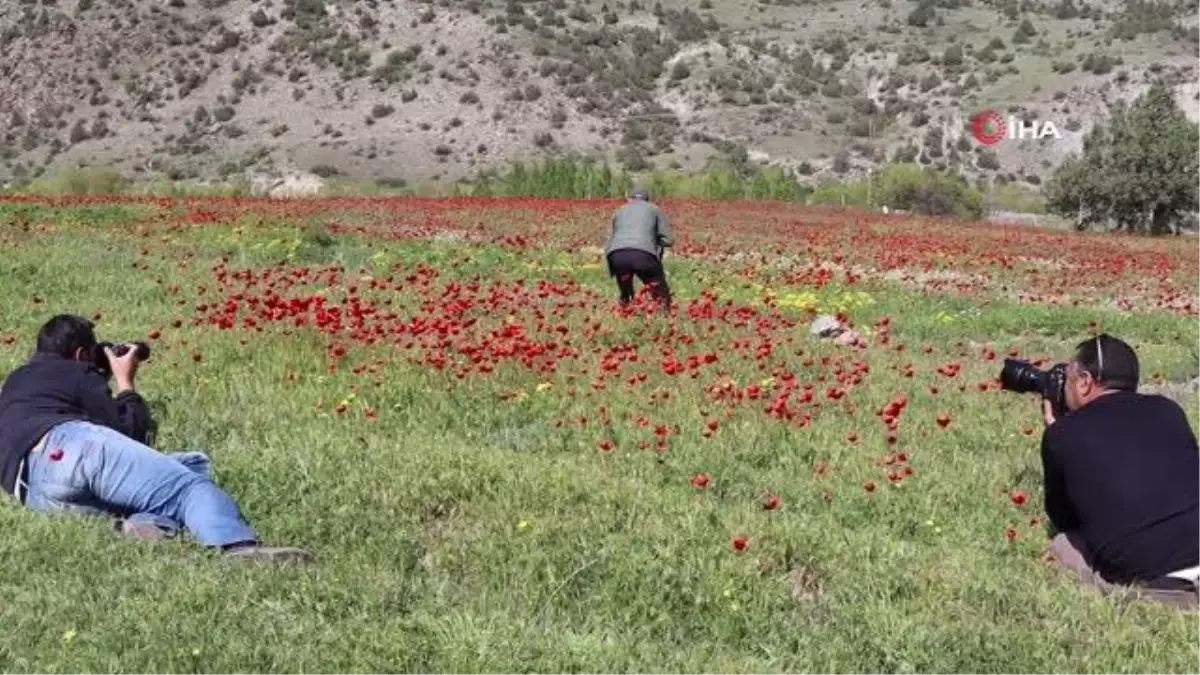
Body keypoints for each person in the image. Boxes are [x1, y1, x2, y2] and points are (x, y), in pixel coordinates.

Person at [0, 314, 311, 564]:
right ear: (81, 354)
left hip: (34, 490)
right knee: (187, 486)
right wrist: (125, 382)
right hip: (70, 445)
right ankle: (237, 546)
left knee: (191, 463)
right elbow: (134, 435)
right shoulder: (76, 372)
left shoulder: (15, 382)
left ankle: (145, 527)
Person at [1040, 333, 1200, 608]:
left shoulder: (1062, 434)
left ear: (1086, 382)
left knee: (1064, 542)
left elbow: (1065, 518)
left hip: (1156, 581)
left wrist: (1056, 431)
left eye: (1067, 379)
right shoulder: (1168, 409)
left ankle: (1157, 598)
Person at [605, 186, 673, 309]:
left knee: (626, 296)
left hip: (617, 256)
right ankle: (663, 317)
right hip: (643, 256)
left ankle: (625, 314)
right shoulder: (654, 209)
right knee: (661, 296)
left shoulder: (619, 210)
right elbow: (668, 240)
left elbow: (611, 238)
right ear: (648, 200)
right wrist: (655, 242)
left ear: (629, 199)